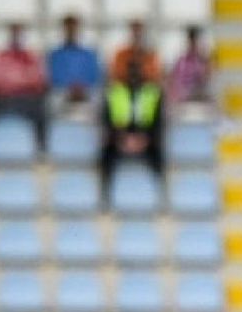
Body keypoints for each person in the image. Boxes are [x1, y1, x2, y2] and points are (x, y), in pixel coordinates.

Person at [99, 53, 164, 204]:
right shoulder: (115, 92)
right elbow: (108, 120)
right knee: (106, 155)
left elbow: (157, 121)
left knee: (159, 154)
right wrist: (122, 139)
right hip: (121, 136)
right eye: (131, 71)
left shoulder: (152, 92)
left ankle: (160, 194)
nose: (134, 76)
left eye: (137, 71)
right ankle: (106, 195)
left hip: (145, 136)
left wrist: (144, 139)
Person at [0, 25, 49, 146]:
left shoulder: (32, 57)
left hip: (28, 100)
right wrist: (23, 80)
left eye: (19, 34)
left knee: (43, 112)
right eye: (14, 34)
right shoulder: (1, 57)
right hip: (5, 100)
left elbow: (39, 80)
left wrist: (16, 81)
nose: (16, 37)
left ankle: (41, 151)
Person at [48, 16, 102, 109]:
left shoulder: (89, 54)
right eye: (68, 29)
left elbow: (95, 75)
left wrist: (81, 88)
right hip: (63, 92)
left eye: (74, 28)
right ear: (63, 30)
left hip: (86, 91)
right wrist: (70, 88)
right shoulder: (55, 55)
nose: (71, 32)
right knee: (53, 100)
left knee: (97, 98)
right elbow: (53, 77)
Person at [166, 26, 216, 110]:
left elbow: (207, 81)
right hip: (184, 103)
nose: (193, 44)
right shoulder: (181, 61)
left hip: (200, 102)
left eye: (195, 41)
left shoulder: (205, 62)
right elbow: (173, 82)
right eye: (191, 41)